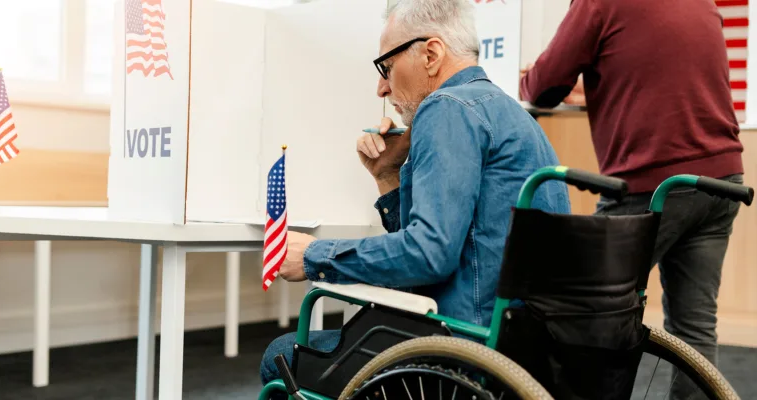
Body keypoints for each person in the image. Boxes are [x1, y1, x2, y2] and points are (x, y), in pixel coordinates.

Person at [259, 0, 571, 392]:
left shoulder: (445, 109)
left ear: (431, 54)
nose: (382, 87)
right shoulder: (513, 116)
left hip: (461, 353)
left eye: (385, 67)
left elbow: (429, 255)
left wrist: (313, 257)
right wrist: (388, 176)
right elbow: (448, 250)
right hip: (525, 354)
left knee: (281, 353)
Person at [519, 0, 745, 397]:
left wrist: (524, 81)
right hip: (722, 179)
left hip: (653, 185)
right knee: (695, 328)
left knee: (582, 316)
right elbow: (665, 79)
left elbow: (543, 86)